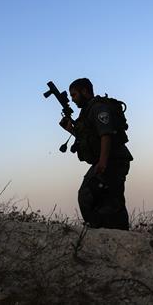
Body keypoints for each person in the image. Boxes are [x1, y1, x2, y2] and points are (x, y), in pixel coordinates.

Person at [59, 78, 133, 230]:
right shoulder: (86, 112)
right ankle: (108, 232)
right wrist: (70, 130)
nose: (72, 99)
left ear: (84, 91)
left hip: (113, 160)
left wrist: (103, 162)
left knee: (99, 197)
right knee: (103, 198)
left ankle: (107, 233)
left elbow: (106, 135)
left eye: (74, 95)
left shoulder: (98, 108)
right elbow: (88, 138)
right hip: (106, 161)